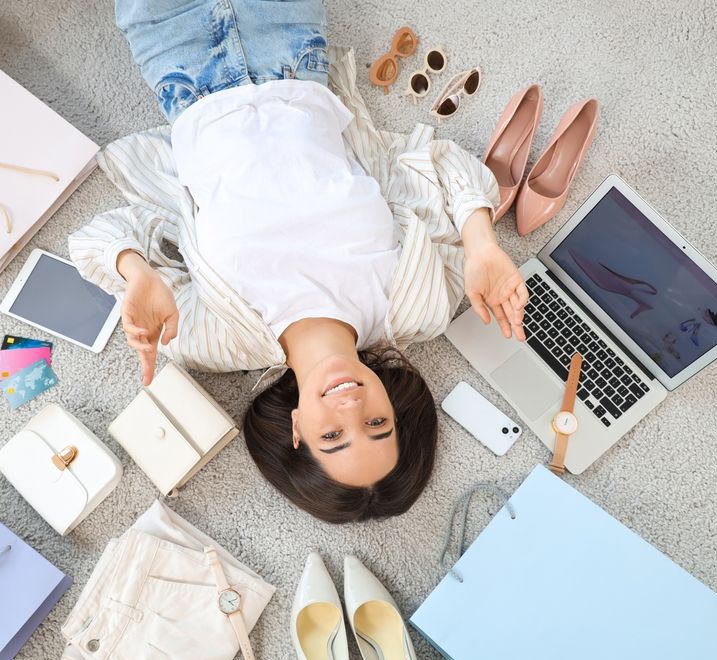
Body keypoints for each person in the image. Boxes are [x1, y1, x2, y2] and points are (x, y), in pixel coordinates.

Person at [69, 0, 528, 523]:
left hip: (183, 67)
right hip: (291, 46)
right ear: (393, 408)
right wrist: (483, 244)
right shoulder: (416, 305)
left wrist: (138, 270)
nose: (351, 409)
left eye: (332, 436)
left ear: (295, 431)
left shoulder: (214, 342)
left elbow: (95, 238)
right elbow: (443, 167)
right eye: (377, 423)